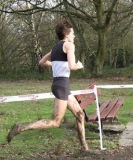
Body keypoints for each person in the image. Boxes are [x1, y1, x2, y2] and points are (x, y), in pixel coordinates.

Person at [7, 20, 91, 152]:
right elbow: (71, 66)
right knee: (56, 122)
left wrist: (56, 65)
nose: (74, 36)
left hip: (61, 85)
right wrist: (79, 66)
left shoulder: (55, 47)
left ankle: (84, 148)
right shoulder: (69, 45)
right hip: (61, 86)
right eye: (73, 33)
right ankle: (20, 128)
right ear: (66, 34)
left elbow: (42, 61)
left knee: (80, 114)